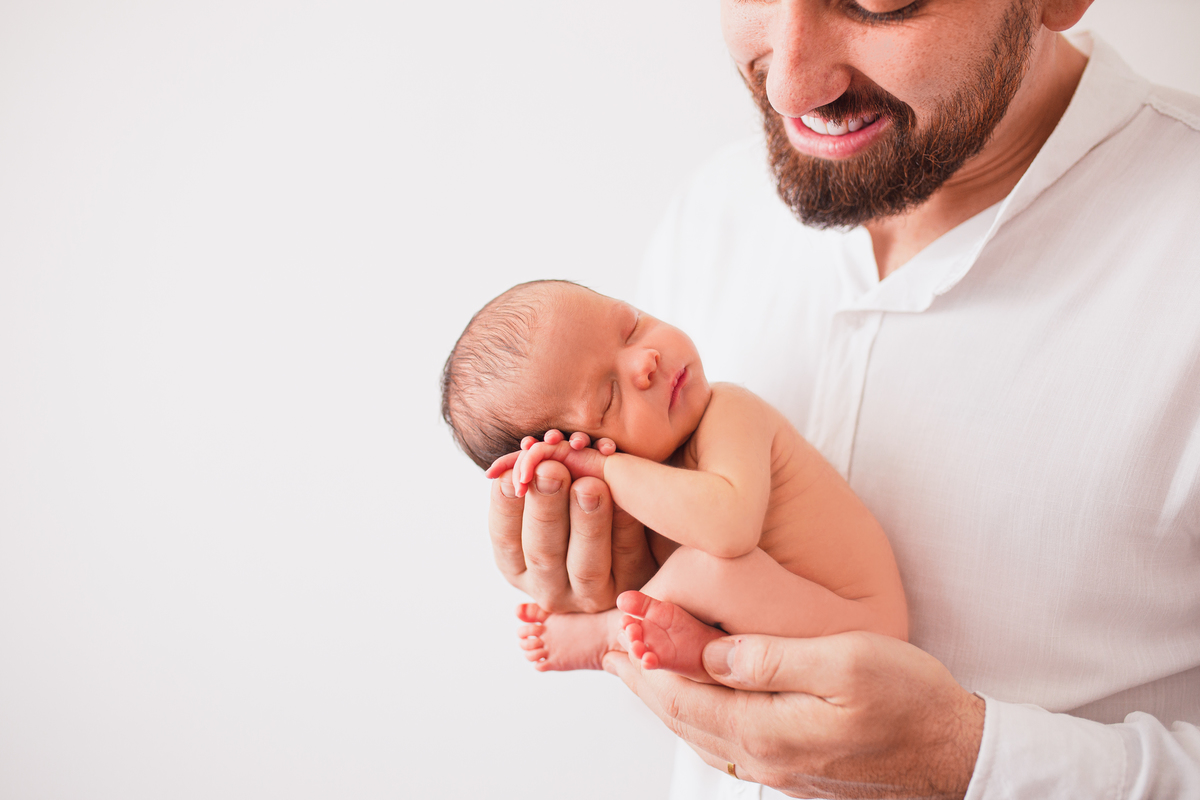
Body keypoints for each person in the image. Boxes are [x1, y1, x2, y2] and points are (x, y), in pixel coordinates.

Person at [489, 0, 1200, 796]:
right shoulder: (714, 211)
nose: (792, 86)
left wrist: (966, 762)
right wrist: (624, 595)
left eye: (878, 3)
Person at [442, 280, 907, 680]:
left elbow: (730, 526)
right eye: (608, 398)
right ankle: (695, 652)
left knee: (708, 567)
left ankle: (609, 637)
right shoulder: (642, 496)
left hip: (864, 630)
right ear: (577, 451)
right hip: (787, 655)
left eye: (633, 326)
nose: (645, 361)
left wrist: (604, 467)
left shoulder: (729, 411)